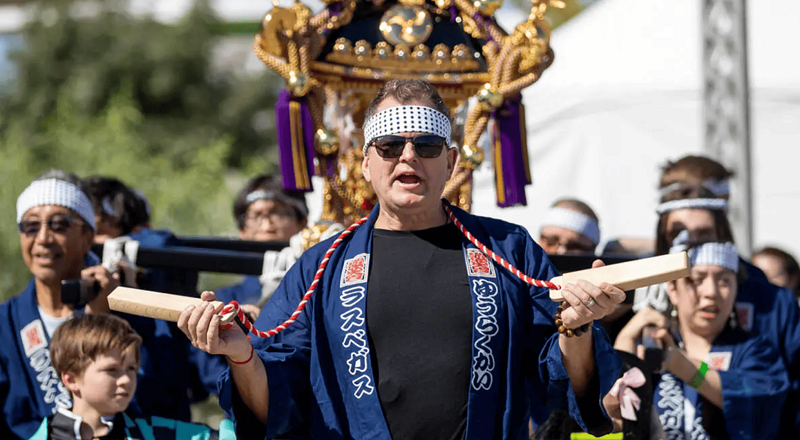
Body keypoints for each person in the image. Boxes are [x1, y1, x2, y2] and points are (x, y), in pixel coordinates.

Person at [179, 79, 626, 439]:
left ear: (450, 162)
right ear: (366, 163)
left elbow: (562, 374)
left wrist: (579, 325)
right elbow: (275, 395)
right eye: (390, 146)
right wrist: (240, 355)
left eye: (427, 146)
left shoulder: (506, 249)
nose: (408, 156)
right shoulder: (324, 266)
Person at [0, 173, 189, 439]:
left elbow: (161, 404)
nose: (43, 238)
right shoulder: (5, 322)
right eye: (30, 227)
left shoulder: (132, 306)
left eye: (59, 225)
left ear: (89, 236)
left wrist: (103, 322)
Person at [614, 234, 789, 438]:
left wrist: (681, 364)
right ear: (672, 289)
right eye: (697, 280)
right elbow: (614, 413)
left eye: (724, 281)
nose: (711, 292)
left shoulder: (754, 348)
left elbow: (759, 398)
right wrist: (626, 339)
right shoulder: (651, 341)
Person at [28, 313, 235, 440]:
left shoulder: (159, 433)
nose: (126, 379)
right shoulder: (44, 437)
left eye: (131, 369)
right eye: (112, 370)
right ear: (71, 379)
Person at [215, 174, 310, 318]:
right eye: (256, 216)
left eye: (277, 213)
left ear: (303, 223)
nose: (266, 226)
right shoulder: (224, 299)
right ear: (242, 230)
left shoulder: (316, 287)